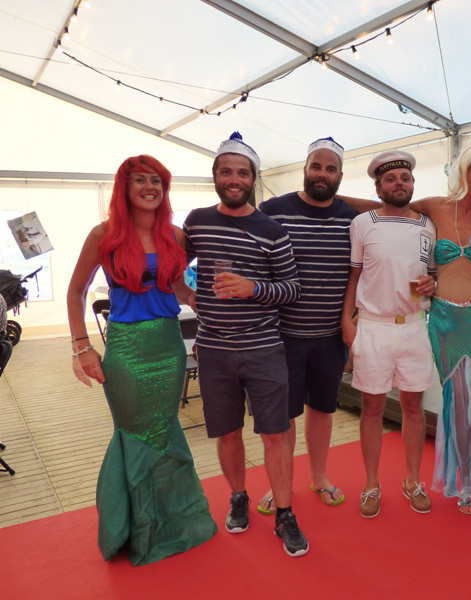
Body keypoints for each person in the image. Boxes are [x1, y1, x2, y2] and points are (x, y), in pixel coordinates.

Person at [66, 155, 217, 565]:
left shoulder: (175, 235)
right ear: (125, 187)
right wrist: (82, 346)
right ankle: (135, 528)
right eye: (140, 180)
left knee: (165, 431)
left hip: (168, 346)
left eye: (157, 181)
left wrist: (195, 298)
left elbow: (174, 287)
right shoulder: (104, 234)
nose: (150, 187)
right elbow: (76, 291)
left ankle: (173, 524)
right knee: (135, 433)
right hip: (126, 351)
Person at [182, 132, 309, 557]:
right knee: (227, 432)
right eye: (226, 172)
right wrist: (186, 294)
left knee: (276, 433)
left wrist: (252, 287)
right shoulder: (197, 221)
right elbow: (171, 264)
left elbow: (292, 288)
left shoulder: (272, 229)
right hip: (213, 349)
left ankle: (285, 513)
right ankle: (238, 497)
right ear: (215, 176)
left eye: (242, 173)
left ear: (253, 178)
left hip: (263, 348)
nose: (234, 179)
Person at [256, 137, 357, 514]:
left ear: (340, 176)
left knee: (323, 410)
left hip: (331, 338)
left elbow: (360, 273)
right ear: (305, 169)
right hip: (281, 337)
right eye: (316, 166)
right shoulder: (273, 210)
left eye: (330, 169)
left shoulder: (352, 218)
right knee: (282, 418)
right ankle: (280, 484)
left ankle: (320, 478)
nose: (322, 174)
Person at [410, 128, 471, 515]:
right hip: (445, 318)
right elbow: (392, 215)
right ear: (463, 169)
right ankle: (466, 482)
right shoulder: (433, 206)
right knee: (458, 403)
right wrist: (426, 279)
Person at [341, 150, 437, 518]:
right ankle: (371, 484)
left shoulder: (427, 225)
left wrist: (432, 284)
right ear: (379, 188)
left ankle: (413, 481)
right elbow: (354, 274)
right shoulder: (362, 223)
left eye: (405, 178)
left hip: (414, 326)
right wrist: (346, 320)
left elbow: (431, 275)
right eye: (391, 179)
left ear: (412, 184)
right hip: (373, 327)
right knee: (372, 408)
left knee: (414, 407)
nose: (399, 183)